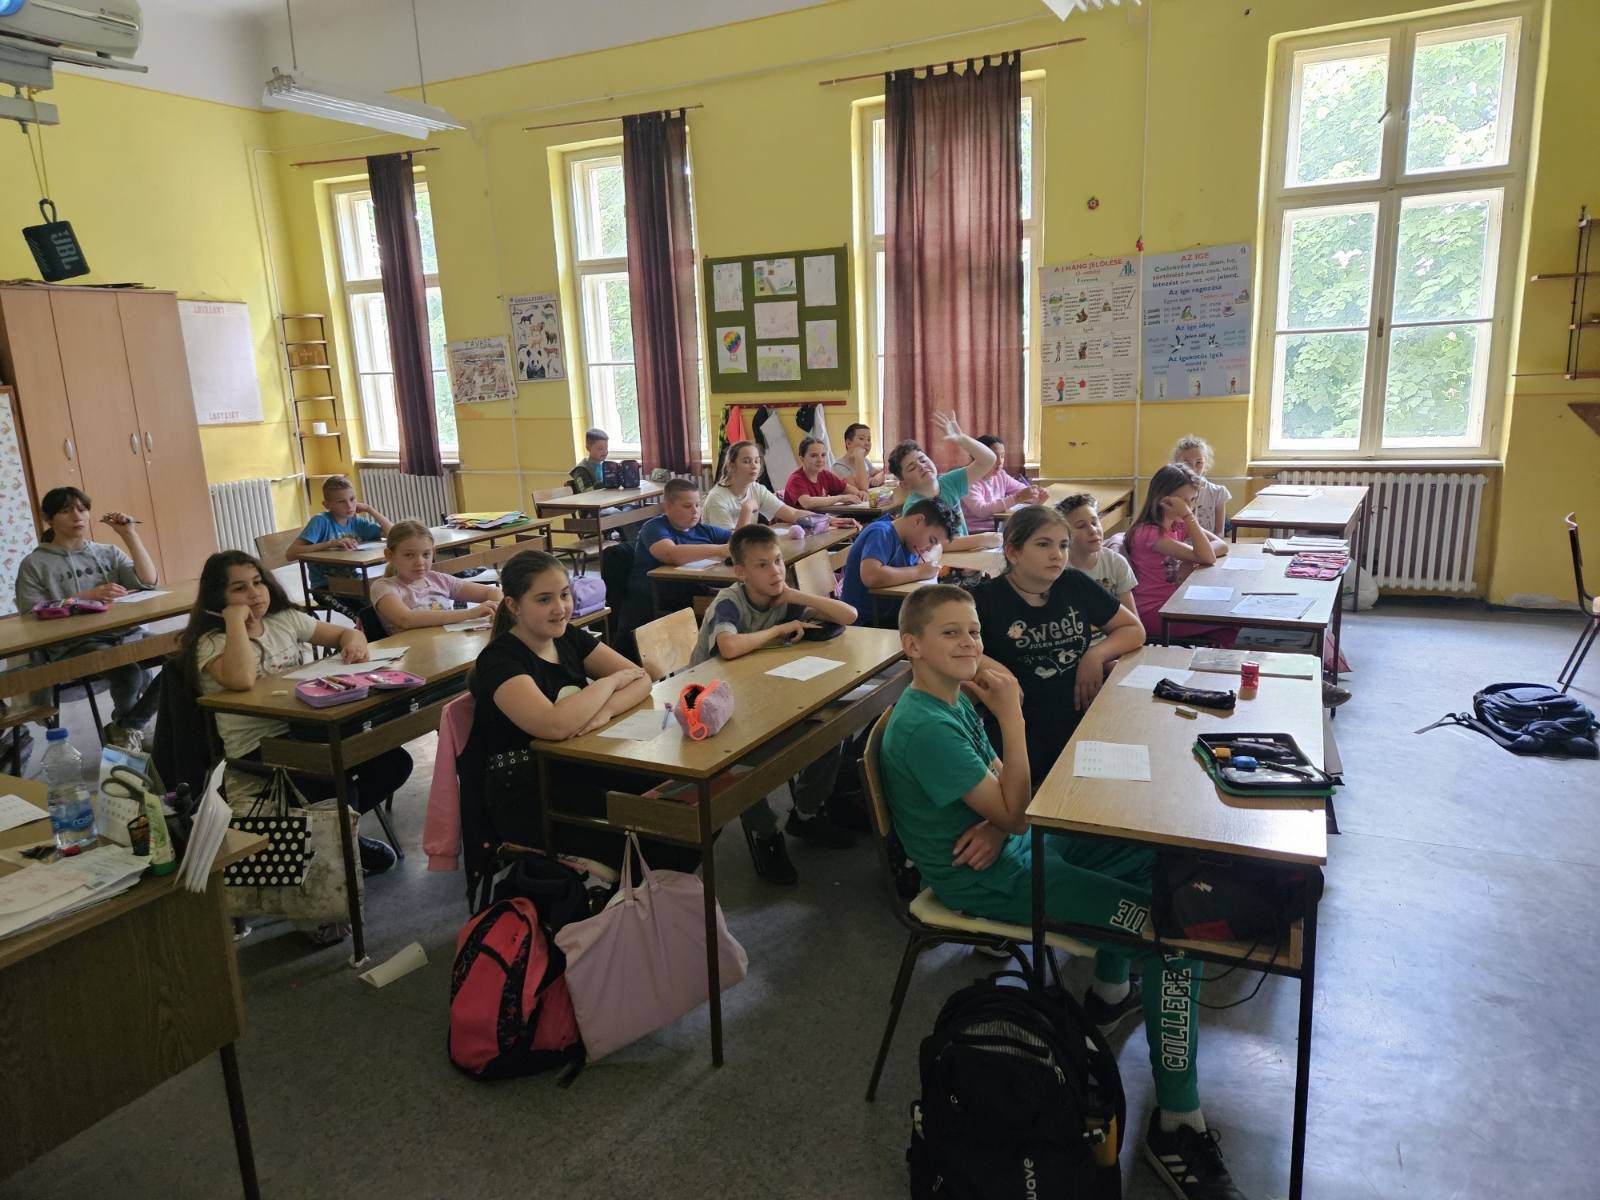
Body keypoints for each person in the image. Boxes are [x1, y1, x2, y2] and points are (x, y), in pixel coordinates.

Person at [880, 584, 1247, 1200]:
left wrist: (1002, 821)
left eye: (974, 631)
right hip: (990, 880)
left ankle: (1109, 991)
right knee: (1171, 934)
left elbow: (1005, 794)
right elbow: (1014, 804)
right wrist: (1012, 720)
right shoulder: (927, 726)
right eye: (951, 633)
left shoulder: (950, 700)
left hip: (1012, 847)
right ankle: (1177, 1124)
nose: (970, 642)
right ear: (912, 645)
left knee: (1151, 858)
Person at [460, 550, 695, 877]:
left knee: (692, 803)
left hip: (578, 767)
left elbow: (641, 679)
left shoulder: (567, 637)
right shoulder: (500, 660)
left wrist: (606, 711)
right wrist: (609, 683)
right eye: (544, 600)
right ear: (513, 605)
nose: (560, 608)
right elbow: (553, 724)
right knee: (665, 841)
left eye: (564, 594)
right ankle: (635, 898)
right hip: (528, 794)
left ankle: (647, 893)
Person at [180, 550, 409, 880]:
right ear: (219, 597)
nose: (254, 593)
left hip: (309, 727)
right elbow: (242, 679)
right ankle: (341, 845)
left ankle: (339, 836)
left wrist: (354, 641)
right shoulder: (212, 641)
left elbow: (344, 633)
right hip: (259, 745)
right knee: (333, 777)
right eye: (239, 588)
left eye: (258, 582)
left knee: (392, 762)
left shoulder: (284, 619)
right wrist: (234, 622)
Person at [691, 524, 860, 883]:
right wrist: (780, 629)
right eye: (762, 565)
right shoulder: (730, 601)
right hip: (713, 705)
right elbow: (729, 647)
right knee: (742, 763)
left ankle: (807, 813)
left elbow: (849, 616)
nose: (775, 571)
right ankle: (765, 833)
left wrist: (796, 596)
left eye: (779, 561)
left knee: (831, 727)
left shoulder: (782, 596)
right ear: (741, 572)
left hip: (763, 688)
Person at [971, 505, 1145, 786]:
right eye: (1043, 544)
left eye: (1063, 545)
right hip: (1020, 727)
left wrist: (1095, 655)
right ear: (1013, 552)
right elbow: (947, 650)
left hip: (1082, 716)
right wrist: (992, 667)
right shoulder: (984, 599)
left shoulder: (1074, 584)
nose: (1057, 554)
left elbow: (1133, 629)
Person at [14, 487, 161, 748]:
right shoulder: (34, 564)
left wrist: (129, 534)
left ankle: (127, 726)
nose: (77, 516)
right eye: (66, 511)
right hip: (75, 644)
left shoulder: (108, 552)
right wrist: (83, 597)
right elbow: (29, 616)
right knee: (128, 673)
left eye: (82, 509)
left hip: (126, 633)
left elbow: (148, 581)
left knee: (184, 656)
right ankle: (130, 730)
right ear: (48, 518)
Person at [1125, 464, 1233, 645]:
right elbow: (1208, 557)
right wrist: (1189, 519)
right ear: (1163, 499)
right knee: (1228, 620)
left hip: (1176, 602)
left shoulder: (1177, 525)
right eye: (1183, 502)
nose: (1188, 507)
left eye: (1191, 501)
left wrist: (1191, 556)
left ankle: (1222, 659)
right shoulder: (1149, 534)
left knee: (1229, 621)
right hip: (1156, 612)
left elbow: (1222, 545)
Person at [886, 412, 1001, 552]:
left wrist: (962, 439)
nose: (921, 466)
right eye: (912, 468)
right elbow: (938, 544)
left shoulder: (949, 481)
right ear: (905, 484)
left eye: (923, 460)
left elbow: (989, 460)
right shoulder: (913, 506)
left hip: (966, 556)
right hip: (940, 562)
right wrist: (982, 539)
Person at [286, 475, 392, 622]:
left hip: (353, 584)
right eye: (341, 501)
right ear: (327, 505)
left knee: (382, 606)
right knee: (364, 617)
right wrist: (329, 544)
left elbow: (393, 534)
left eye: (352, 499)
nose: (349, 506)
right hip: (325, 588)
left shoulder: (355, 521)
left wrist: (370, 509)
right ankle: (365, 634)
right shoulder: (321, 521)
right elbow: (291, 554)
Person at [627, 478, 732, 624]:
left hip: (693, 593)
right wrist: (719, 550)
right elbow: (670, 554)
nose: (695, 511)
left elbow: (739, 539)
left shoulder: (703, 530)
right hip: (658, 602)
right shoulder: (654, 527)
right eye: (687, 506)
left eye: (698, 505)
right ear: (668, 507)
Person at [370, 521, 503, 635]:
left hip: (445, 645)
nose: (420, 562)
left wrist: (497, 610)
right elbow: (406, 619)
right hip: (415, 653)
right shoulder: (384, 587)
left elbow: (491, 592)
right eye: (409, 555)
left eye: (426, 554)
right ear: (390, 555)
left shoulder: (439, 580)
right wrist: (471, 613)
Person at [839, 499, 955, 626]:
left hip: (888, 617)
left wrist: (928, 558)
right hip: (863, 622)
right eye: (931, 540)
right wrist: (919, 571)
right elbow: (871, 576)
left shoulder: (911, 543)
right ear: (918, 521)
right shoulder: (881, 533)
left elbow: (939, 548)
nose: (929, 548)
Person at [703, 440, 855, 531]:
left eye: (757, 461)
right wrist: (747, 509)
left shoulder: (756, 489)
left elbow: (793, 514)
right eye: (746, 461)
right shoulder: (718, 498)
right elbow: (731, 544)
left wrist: (829, 520)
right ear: (732, 465)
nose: (754, 466)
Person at [1057, 492, 1137, 620]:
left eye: (1094, 523)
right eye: (1081, 526)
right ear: (1063, 534)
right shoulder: (1057, 569)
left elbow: (1133, 621)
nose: (1093, 530)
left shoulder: (1116, 563)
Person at [960, 435, 1048, 533]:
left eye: (1002, 456)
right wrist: (1017, 498)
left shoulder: (1001, 475)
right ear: (978, 457)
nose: (1000, 462)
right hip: (976, 532)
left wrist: (1037, 495)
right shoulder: (967, 478)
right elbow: (981, 510)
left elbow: (1023, 491)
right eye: (994, 456)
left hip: (1000, 527)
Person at [783, 437, 867, 510]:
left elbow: (846, 487)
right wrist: (841, 498)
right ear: (802, 459)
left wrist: (859, 494)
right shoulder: (796, 479)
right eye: (814, 456)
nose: (820, 460)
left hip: (819, 519)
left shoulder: (825, 475)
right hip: (794, 523)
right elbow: (807, 503)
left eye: (823, 455)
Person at [1172, 435, 1231, 538]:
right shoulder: (1172, 491)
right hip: (1180, 546)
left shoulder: (1218, 492)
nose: (1193, 468)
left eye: (1199, 462)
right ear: (1177, 464)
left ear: (1206, 463)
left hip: (1210, 544)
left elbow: (1219, 533)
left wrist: (1212, 545)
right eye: (1186, 463)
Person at [833, 422, 887, 490]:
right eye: (861, 438)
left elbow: (882, 472)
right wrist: (859, 458)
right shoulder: (838, 467)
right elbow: (862, 488)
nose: (867, 443)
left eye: (869, 439)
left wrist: (877, 477)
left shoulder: (865, 460)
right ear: (848, 443)